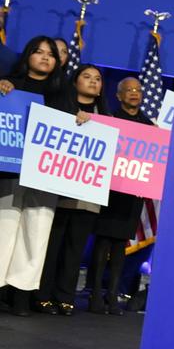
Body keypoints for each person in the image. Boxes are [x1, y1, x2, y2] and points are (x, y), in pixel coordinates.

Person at [34, 64, 109, 316]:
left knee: (75, 247)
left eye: (97, 79)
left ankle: (65, 297)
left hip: (89, 194)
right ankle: (42, 295)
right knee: (52, 245)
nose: (92, 82)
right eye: (86, 77)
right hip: (58, 191)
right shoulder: (60, 109)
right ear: (75, 82)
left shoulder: (107, 117)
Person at [0, 36, 66, 317]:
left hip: (44, 175)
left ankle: (22, 295)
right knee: (4, 228)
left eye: (50, 54)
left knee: (36, 232)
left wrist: (81, 118)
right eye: (38, 52)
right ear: (27, 56)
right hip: (10, 170)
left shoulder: (62, 93)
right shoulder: (9, 86)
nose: (44, 57)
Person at [90, 77, 153, 315]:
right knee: (102, 242)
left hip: (132, 195)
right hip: (109, 191)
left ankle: (112, 295)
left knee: (120, 246)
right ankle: (96, 292)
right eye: (129, 90)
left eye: (138, 90)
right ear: (119, 95)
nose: (134, 93)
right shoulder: (110, 120)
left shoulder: (149, 126)